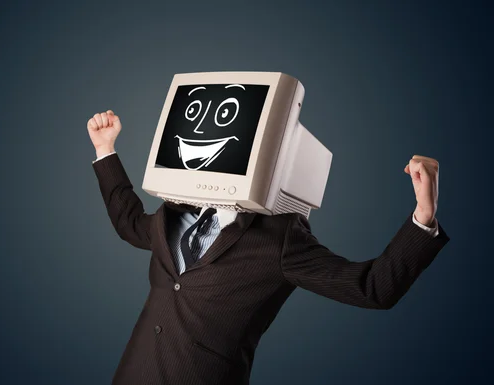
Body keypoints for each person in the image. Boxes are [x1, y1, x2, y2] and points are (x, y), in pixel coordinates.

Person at [87, 110, 449, 385]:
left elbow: (372, 288)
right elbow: (129, 224)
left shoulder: (280, 238)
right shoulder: (174, 212)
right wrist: (105, 149)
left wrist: (424, 215)